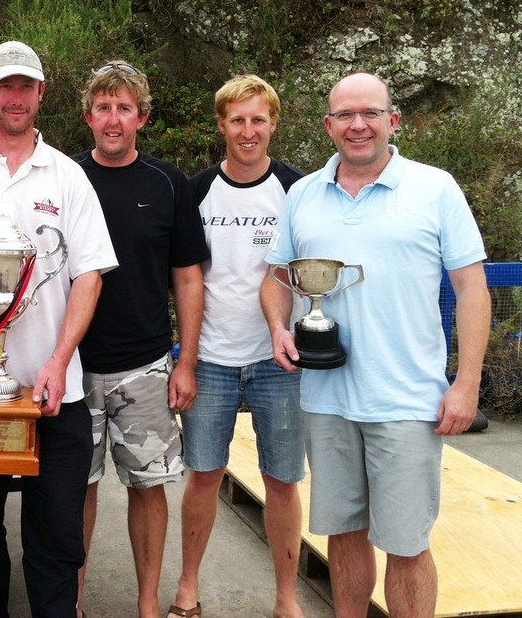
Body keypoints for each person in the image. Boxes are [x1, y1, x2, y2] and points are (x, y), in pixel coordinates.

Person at [260, 72, 490, 618]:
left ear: (394, 120)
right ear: (328, 125)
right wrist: (278, 328)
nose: (357, 125)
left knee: (407, 547)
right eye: (344, 115)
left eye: (369, 113)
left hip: (407, 402)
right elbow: (275, 277)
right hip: (327, 398)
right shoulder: (303, 194)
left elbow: (472, 286)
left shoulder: (436, 189)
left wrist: (467, 383)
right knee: (343, 536)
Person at [0, 40, 118, 618]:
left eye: (25, 86)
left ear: (41, 95)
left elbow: (89, 276)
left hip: (56, 392)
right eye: (4, 86)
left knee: (57, 544)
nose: (15, 97)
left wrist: (59, 360)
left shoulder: (68, 177)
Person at [71, 61, 207, 618]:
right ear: (87, 116)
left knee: (148, 488)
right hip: (74, 366)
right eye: (103, 107)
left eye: (124, 107)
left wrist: (186, 362)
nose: (113, 118)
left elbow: (188, 277)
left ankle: (148, 605)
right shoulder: (63, 177)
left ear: (142, 117)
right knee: (75, 489)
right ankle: (71, 603)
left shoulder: (167, 182)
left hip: (145, 367)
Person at [173, 75, 305, 618]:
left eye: (258, 120)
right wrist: (185, 355)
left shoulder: (298, 190)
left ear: (273, 124)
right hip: (210, 357)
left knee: (281, 479)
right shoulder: (196, 190)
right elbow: (184, 275)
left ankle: (286, 598)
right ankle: (187, 585)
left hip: (280, 359)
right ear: (221, 125)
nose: (247, 131)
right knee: (204, 474)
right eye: (236, 120)